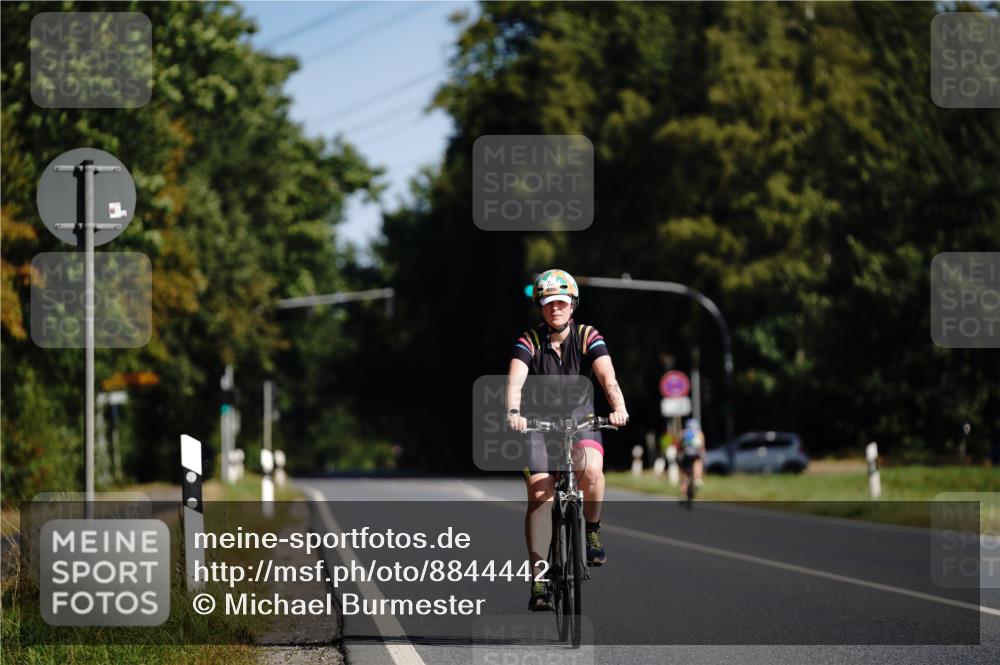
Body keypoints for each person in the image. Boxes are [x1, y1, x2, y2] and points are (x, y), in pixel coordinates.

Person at [505, 269, 629, 611]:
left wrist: (618, 407)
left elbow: (607, 377)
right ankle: (539, 581)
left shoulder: (588, 336)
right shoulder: (529, 340)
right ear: (540, 308)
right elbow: (515, 382)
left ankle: (592, 530)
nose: (555, 309)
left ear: (572, 304)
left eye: (561, 302)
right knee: (541, 494)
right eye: (548, 304)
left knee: (591, 471)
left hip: (580, 420)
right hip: (539, 425)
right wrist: (514, 412)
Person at [677, 418, 705, 500]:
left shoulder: (683, 433)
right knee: (698, 463)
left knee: (685, 475)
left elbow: (679, 447)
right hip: (695, 455)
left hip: (686, 456)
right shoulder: (699, 433)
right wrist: (703, 458)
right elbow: (702, 448)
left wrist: (679, 455)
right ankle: (697, 479)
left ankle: (683, 494)